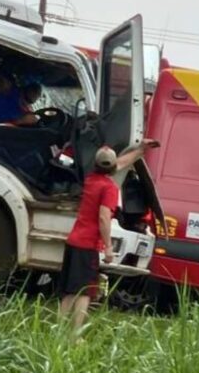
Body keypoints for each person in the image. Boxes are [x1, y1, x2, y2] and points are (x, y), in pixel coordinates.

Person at [58, 139, 160, 338]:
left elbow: (119, 163)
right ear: (112, 168)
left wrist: (140, 150)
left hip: (74, 242)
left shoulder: (91, 179)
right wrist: (107, 248)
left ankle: (60, 331)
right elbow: (104, 218)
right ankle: (75, 336)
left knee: (69, 289)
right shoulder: (109, 188)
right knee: (86, 291)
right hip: (87, 245)